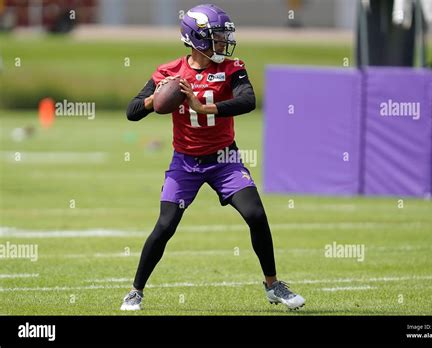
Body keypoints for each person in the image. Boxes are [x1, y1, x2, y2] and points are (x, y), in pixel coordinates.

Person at [121, 3, 305, 311]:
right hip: (185, 162)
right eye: (216, 37)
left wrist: (204, 107)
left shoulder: (232, 68)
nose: (223, 42)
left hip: (224, 159)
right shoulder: (169, 72)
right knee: (165, 225)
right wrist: (158, 96)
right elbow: (132, 111)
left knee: (256, 215)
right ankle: (135, 291)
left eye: (224, 37)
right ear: (196, 39)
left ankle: (273, 285)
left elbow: (248, 100)